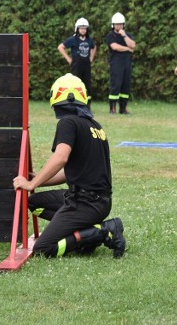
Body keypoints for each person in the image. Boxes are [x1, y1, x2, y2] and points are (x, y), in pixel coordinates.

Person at [12, 74, 126, 258]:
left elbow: (61, 158)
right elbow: (71, 173)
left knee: (43, 249)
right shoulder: (94, 126)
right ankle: (88, 234)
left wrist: (31, 185)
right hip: (97, 202)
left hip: (85, 203)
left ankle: (104, 232)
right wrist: (38, 179)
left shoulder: (68, 122)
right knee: (33, 203)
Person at [57, 18, 97, 108]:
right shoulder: (73, 39)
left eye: (85, 28)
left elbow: (94, 47)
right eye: (81, 28)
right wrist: (68, 59)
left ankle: (87, 105)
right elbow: (60, 47)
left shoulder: (89, 39)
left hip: (86, 65)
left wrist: (91, 58)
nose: (83, 30)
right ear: (77, 29)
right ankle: (75, 104)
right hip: (76, 66)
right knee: (76, 85)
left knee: (87, 85)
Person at [106, 12, 136, 114]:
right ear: (113, 25)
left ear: (123, 25)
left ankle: (123, 108)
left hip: (127, 63)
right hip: (116, 64)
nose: (118, 26)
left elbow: (133, 45)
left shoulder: (128, 35)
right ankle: (112, 108)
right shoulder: (111, 35)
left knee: (125, 86)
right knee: (116, 85)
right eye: (116, 24)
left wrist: (124, 36)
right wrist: (127, 49)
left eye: (120, 24)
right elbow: (115, 47)